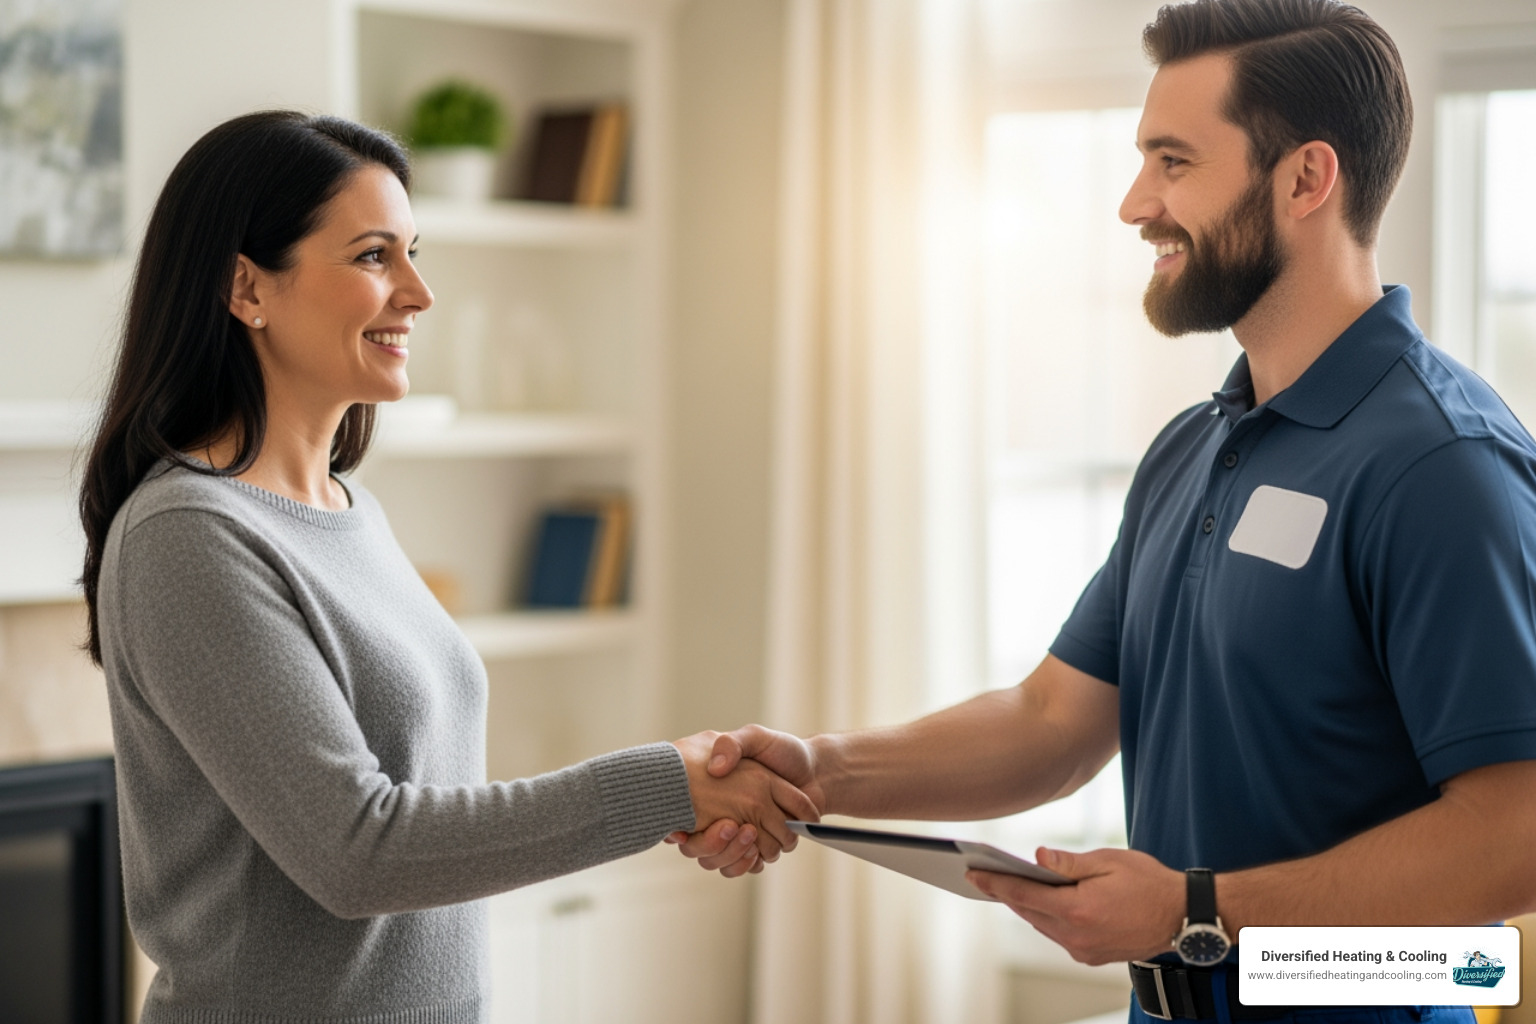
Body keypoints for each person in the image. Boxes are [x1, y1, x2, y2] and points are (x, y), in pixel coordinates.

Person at [674, 0, 1536, 1020]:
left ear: (1306, 178)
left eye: (1174, 162)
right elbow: (1055, 721)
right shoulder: (1195, 446)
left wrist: (1198, 911)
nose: (1135, 203)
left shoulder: (1442, 463)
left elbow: (1515, 831)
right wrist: (820, 770)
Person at [78, 110, 816, 1023]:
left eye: (413, 251)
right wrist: (666, 782)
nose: (420, 293)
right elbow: (360, 852)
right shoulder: (187, 536)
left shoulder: (350, 511)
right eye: (374, 256)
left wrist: (680, 793)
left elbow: (430, 813)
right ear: (246, 286)